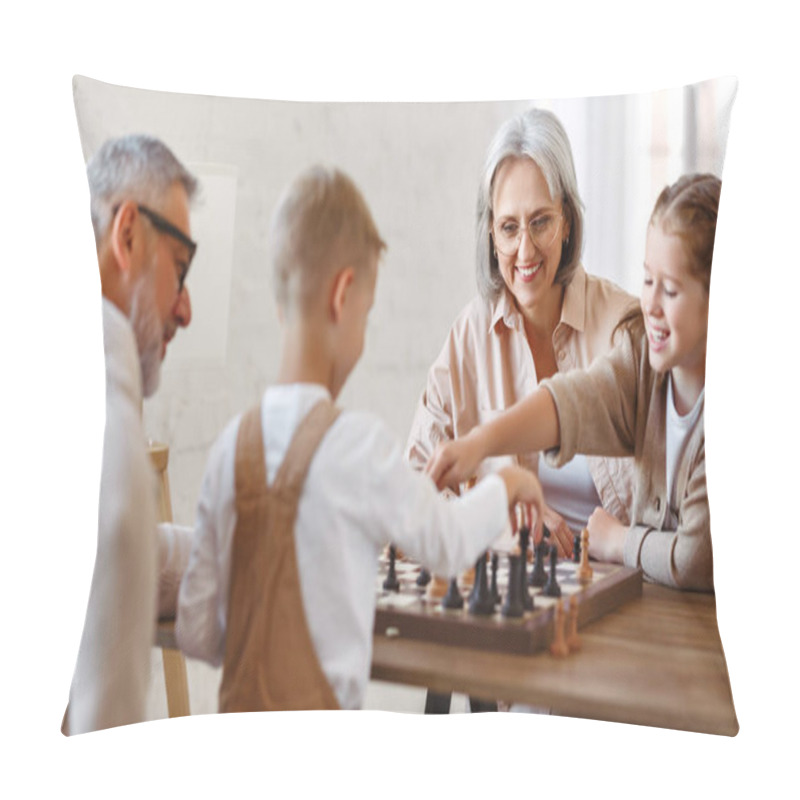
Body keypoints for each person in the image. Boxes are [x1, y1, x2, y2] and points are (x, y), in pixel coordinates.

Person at [176, 166, 545, 711]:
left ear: (282, 301)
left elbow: (197, 631)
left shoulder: (229, 448)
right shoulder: (358, 447)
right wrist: (508, 482)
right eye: (367, 315)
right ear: (343, 295)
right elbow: (446, 544)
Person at [427, 174, 721, 592]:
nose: (650, 304)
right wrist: (479, 444)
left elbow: (694, 558)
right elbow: (570, 404)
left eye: (670, 291)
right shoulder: (642, 363)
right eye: (648, 280)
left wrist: (620, 542)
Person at [406, 108, 638, 558]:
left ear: (567, 220)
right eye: (509, 228)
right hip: (514, 597)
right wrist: (498, 523)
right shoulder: (470, 337)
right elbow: (414, 492)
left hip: (617, 590)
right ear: (491, 235)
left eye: (541, 222)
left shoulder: (623, 325)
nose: (525, 250)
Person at [65, 134, 199, 734]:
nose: (186, 308)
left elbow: (125, 551)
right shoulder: (107, 438)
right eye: (180, 269)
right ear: (126, 235)